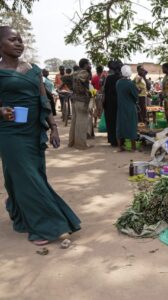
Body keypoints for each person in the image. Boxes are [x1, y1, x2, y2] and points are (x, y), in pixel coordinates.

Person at [0, 26, 81, 245]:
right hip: (10, 134)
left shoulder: (34, 70)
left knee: (30, 175)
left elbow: (43, 100)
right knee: (28, 177)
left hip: (33, 132)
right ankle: (46, 226)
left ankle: (20, 213)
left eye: (20, 39)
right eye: (12, 40)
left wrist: (53, 128)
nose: (18, 43)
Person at [68, 58, 92, 150]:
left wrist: (73, 89)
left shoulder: (75, 72)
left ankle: (72, 142)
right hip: (82, 100)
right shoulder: (84, 73)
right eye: (89, 64)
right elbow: (81, 81)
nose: (90, 65)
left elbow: (66, 78)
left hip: (74, 99)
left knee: (74, 121)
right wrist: (86, 91)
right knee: (82, 122)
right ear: (85, 65)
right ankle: (81, 144)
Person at [116, 65, 138, 152]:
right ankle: (133, 148)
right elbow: (135, 96)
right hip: (130, 107)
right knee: (132, 126)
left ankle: (120, 147)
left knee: (120, 126)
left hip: (121, 107)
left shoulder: (118, 83)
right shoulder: (130, 84)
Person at [103, 60, 122, 147]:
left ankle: (112, 140)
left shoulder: (109, 78)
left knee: (111, 121)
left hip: (110, 103)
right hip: (119, 103)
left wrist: (104, 104)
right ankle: (121, 140)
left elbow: (105, 92)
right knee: (119, 121)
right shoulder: (122, 78)